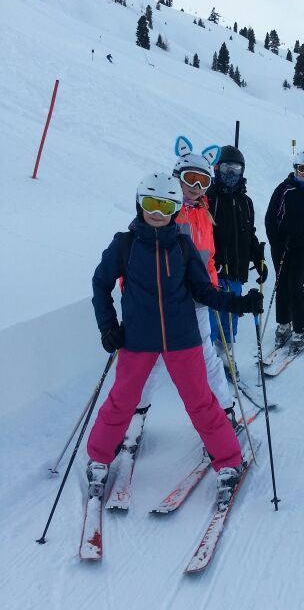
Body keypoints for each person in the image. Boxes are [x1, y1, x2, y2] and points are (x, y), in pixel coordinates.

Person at [86, 171, 263, 510]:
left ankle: (228, 461)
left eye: (165, 205)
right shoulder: (124, 245)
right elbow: (100, 284)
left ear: (174, 209)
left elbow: (203, 290)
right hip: (138, 339)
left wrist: (239, 303)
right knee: (122, 401)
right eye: (151, 203)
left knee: (201, 402)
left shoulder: (182, 246)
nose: (157, 212)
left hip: (183, 339)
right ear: (139, 203)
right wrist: (107, 327)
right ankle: (99, 459)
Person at [206, 144, 267, 380]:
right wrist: (212, 260)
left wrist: (258, 258)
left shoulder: (246, 202)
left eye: (236, 168)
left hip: (237, 271)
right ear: (216, 169)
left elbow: (249, 234)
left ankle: (225, 354)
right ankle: (209, 361)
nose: (231, 173)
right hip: (215, 271)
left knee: (231, 316)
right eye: (225, 168)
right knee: (212, 318)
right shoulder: (209, 198)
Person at [265, 150, 304, 354]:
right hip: (281, 244)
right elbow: (270, 218)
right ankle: (284, 324)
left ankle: (301, 330)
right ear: (296, 168)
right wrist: (276, 242)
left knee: (296, 286)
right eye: (302, 168)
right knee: (281, 284)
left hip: (301, 245)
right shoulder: (284, 189)